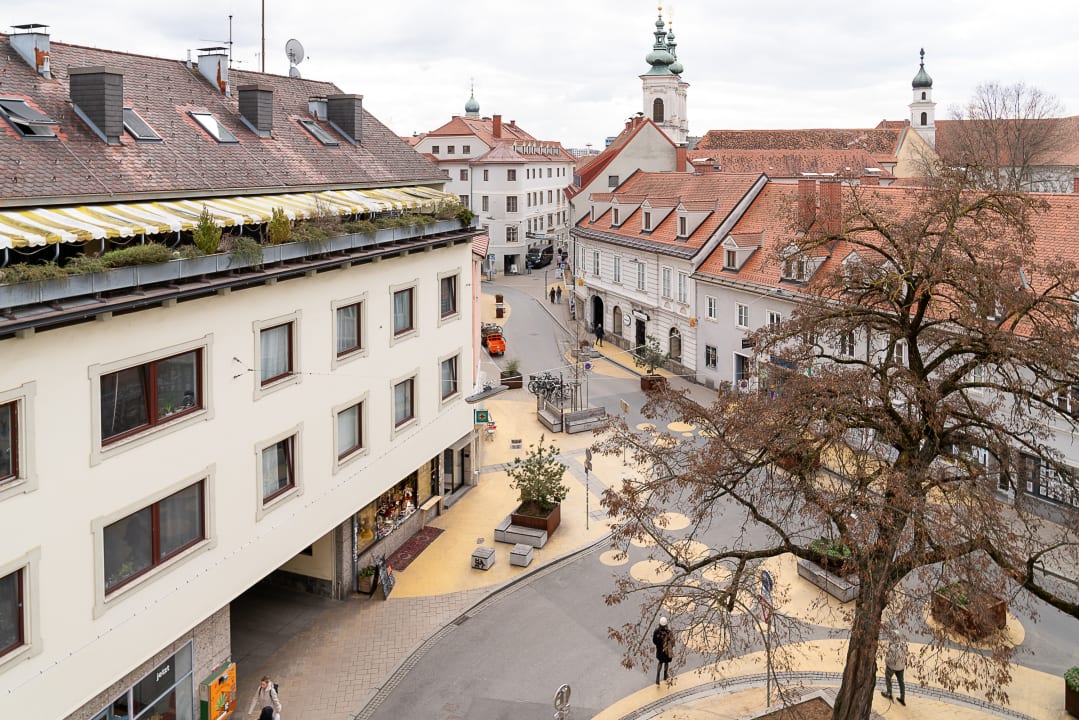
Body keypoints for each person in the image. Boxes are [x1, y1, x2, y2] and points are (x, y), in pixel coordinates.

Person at [880, 635, 907, 706]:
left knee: (888, 678)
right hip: (901, 667)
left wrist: (886, 661)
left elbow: (890, 659)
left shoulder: (892, 647)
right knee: (901, 681)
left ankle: (889, 693)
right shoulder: (903, 645)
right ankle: (902, 697)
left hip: (892, 667)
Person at [652, 616, 673, 685]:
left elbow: (654, 641)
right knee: (666, 662)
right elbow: (672, 641)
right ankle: (665, 675)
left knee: (660, 662)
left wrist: (658, 644)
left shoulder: (656, 631)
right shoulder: (668, 632)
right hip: (666, 649)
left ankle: (657, 676)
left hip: (659, 649)